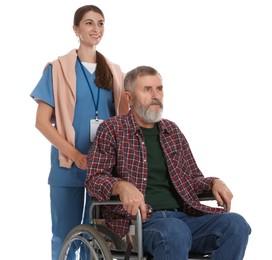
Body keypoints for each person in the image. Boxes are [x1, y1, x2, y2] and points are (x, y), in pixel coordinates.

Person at [85, 65, 251, 259]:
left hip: (184, 218)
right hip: (137, 223)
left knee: (236, 225)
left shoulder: (172, 131)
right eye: (147, 89)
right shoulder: (112, 129)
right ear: (130, 98)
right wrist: (121, 186)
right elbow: (93, 179)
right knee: (174, 231)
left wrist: (214, 182)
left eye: (159, 89)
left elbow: (192, 180)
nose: (156, 95)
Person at [30, 5, 128, 260]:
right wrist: (74, 153)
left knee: (96, 237)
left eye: (101, 23)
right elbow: (41, 122)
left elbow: (123, 119)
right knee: (64, 235)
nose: (96, 29)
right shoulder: (57, 69)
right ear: (76, 29)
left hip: (103, 167)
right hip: (68, 165)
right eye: (89, 23)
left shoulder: (115, 71)